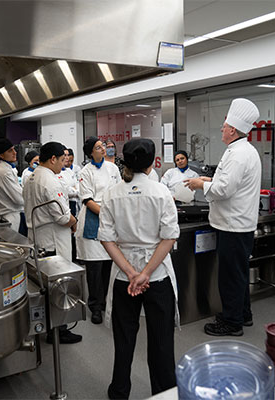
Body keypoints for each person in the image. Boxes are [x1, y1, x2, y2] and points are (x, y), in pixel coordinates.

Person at [99, 138, 180, 399]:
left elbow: (106, 239)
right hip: (156, 276)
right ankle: (164, 393)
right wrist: (145, 274)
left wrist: (132, 273)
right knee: (161, 342)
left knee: (124, 340)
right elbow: (168, 238)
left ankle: (119, 392)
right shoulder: (161, 192)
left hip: (125, 277)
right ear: (151, 163)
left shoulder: (112, 194)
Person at [184, 98, 262, 337]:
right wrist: (207, 180)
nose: (221, 128)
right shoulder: (241, 151)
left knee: (230, 276)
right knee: (238, 272)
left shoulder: (239, 155)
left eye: (224, 124)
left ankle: (231, 323)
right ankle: (243, 314)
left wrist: (200, 184)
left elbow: (224, 190)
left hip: (233, 226)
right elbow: (226, 183)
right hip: (236, 224)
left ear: (232, 130)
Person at [22, 142, 82, 345]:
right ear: (53, 159)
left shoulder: (32, 177)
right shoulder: (49, 181)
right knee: (57, 285)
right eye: (62, 160)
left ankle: (48, 326)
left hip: (38, 237)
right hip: (52, 240)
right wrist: (74, 222)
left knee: (44, 284)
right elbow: (62, 217)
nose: (64, 164)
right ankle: (58, 330)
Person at [76, 137, 121, 325]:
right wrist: (107, 215)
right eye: (98, 147)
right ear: (90, 153)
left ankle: (106, 302)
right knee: (94, 269)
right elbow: (87, 200)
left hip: (112, 216)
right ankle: (95, 306)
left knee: (109, 266)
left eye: (102, 145)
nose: (103, 149)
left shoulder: (113, 168)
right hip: (94, 217)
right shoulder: (86, 172)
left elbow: (120, 190)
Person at [0, 138, 24, 232]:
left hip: (8, 215)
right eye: (10, 151)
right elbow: (19, 199)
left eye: (14, 149)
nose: (15, 152)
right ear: (1, 155)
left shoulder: (5, 169)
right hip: (9, 216)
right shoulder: (4, 172)